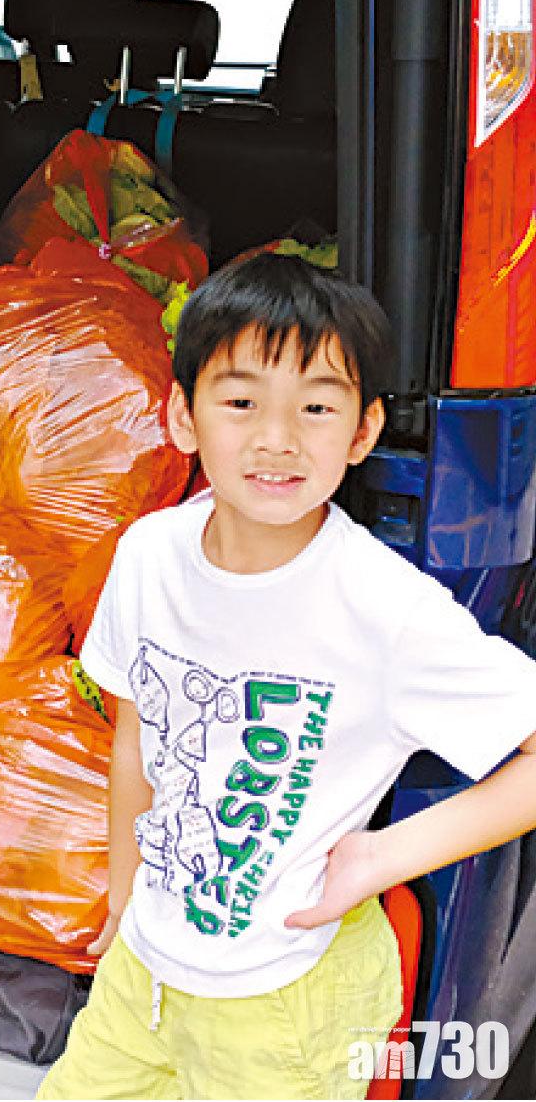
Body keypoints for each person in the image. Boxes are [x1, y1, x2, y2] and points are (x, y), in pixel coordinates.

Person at [38, 252, 536, 1100]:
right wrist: (124, 898)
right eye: (241, 403)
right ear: (183, 416)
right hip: (144, 977)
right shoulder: (149, 555)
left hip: (285, 1007)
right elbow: (137, 740)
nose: (277, 438)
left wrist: (380, 858)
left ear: (363, 433)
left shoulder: (382, 608)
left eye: (316, 407)